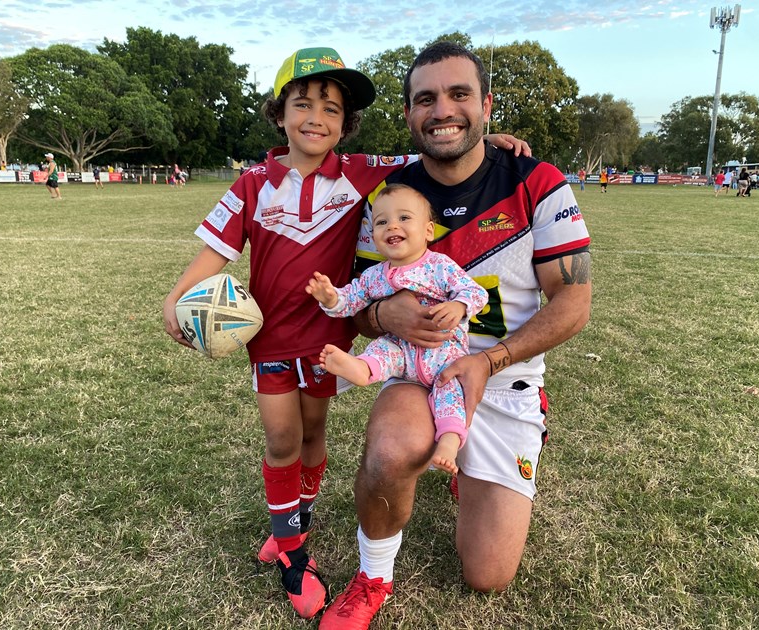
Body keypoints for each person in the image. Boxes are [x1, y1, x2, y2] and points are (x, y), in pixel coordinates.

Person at [162, 45, 528, 622]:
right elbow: (216, 249)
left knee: (313, 439)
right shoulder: (255, 182)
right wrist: (176, 296)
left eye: (331, 109)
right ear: (279, 112)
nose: (316, 118)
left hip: (329, 344)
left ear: (345, 123)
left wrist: (496, 139)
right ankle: (292, 552)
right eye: (302, 103)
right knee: (282, 443)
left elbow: (442, 144)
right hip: (271, 344)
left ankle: (294, 519)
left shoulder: (361, 172)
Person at [318, 42, 591, 630]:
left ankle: (493, 445)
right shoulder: (390, 198)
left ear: (487, 105)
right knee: (390, 452)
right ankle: (372, 579)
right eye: (425, 99)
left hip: (501, 373)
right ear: (411, 114)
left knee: (487, 575)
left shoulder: (538, 182)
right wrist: (386, 318)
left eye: (459, 94)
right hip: (419, 369)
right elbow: (361, 307)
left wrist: (490, 360)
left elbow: (575, 302)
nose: (442, 110)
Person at [306, 184, 488, 474]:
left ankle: (449, 444)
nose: (392, 225)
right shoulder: (373, 276)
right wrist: (331, 298)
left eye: (404, 218)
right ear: (374, 236)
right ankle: (361, 370)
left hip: (444, 354)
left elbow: (475, 292)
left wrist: (459, 306)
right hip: (400, 351)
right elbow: (351, 300)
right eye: (381, 222)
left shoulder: (439, 266)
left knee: (451, 393)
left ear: (428, 231)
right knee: (381, 350)